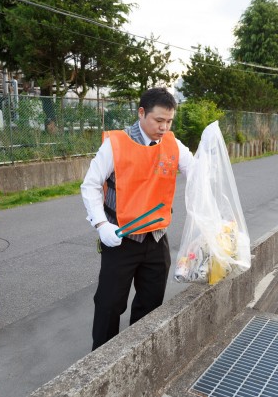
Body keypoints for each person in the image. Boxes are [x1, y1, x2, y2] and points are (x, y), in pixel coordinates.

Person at [81, 87, 195, 350]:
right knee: (109, 303)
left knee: (151, 301)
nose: (164, 127)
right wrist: (101, 225)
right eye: (159, 120)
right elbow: (91, 186)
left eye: (169, 121)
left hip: (156, 238)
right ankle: (101, 359)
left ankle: (139, 351)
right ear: (141, 113)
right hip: (120, 238)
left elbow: (196, 172)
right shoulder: (116, 144)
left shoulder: (172, 144)